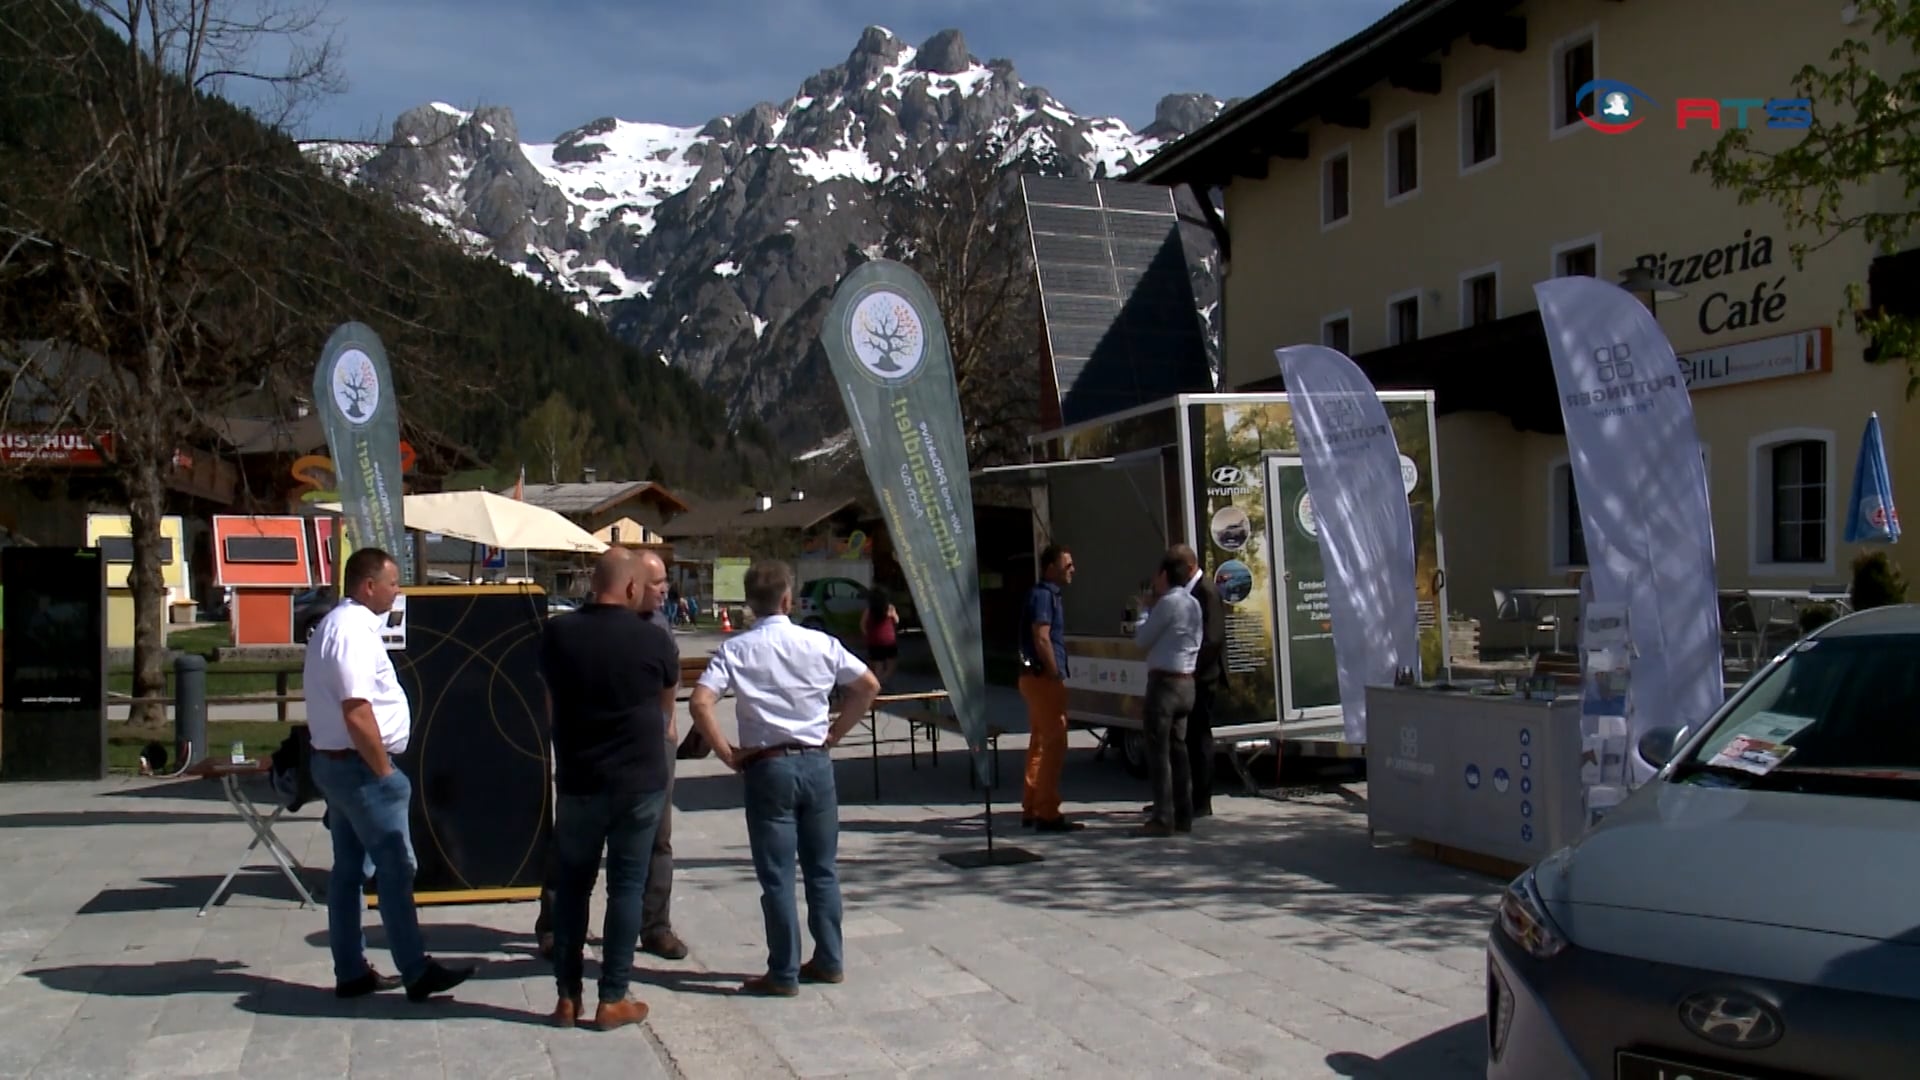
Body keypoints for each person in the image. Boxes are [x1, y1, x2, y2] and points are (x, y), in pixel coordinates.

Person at [688, 560, 880, 997]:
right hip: (816, 761)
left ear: (749, 605)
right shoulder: (820, 642)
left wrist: (727, 754)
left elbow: (701, 703)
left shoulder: (737, 649)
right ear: (788, 599)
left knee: (777, 875)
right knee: (822, 869)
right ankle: (830, 958)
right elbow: (867, 685)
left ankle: (784, 970)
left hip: (767, 765)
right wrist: (836, 731)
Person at [304, 546, 473, 1002]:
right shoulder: (350, 632)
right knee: (397, 866)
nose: (398, 593)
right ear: (368, 586)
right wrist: (384, 773)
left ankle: (351, 969)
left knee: (350, 870)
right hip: (359, 770)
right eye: (394, 584)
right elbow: (357, 711)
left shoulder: (342, 627)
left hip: (342, 765)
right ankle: (415, 969)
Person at [538, 548, 680, 1030]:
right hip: (638, 782)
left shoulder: (556, 634)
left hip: (579, 778)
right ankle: (612, 997)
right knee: (625, 888)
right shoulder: (652, 639)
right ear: (632, 588)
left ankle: (566, 997)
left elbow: (550, 702)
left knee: (573, 888)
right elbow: (665, 709)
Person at [1132, 551, 1204, 836]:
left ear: (1164, 575)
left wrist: (1144, 610)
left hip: (1164, 684)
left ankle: (1162, 817)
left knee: (1158, 751)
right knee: (1179, 749)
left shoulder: (1168, 604)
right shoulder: (1193, 604)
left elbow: (1142, 639)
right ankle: (1184, 814)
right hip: (1187, 680)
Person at [1019, 545, 1080, 832]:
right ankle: (1047, 812)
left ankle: (1032, 806)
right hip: (1043, 678)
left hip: (1032, 677)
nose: (1072, 571)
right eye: (1067, 565)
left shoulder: (1042, 594)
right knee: (1056, 741)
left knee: (1041, 741)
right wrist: (1055, 672)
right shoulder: (1045, 596)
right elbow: (1042, 637)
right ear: (1050, 568)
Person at [1173, 543, 1225, 817]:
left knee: (1200, 736)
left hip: (1203, 676)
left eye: (1177, 569)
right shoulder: (1189, 591)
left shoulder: (1205, 590)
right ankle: (1187, 796)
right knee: (1189, 737)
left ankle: (1202, 801)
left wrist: (1191, 666)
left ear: (1190, 566)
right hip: (1193, 674)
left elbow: (1213, 637)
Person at [858, 585, 900, 687]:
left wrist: (867, 635)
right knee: (891, 662)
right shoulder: (889, 608)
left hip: (873, 640)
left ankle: (877, 682)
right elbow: (896, 620)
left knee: (877, 664)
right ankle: (882, 680)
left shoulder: (869, 610)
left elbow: (862, 624)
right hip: (889, 640)